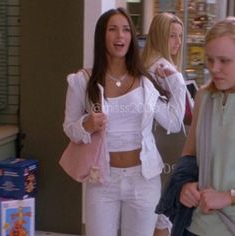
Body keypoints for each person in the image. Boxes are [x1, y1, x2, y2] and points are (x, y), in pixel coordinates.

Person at [62, 8, 186, 236]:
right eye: (113, 29)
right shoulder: (83, 80)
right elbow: (70, 129)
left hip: (143, 179)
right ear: (102, 36)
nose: (121, 36)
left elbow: (173, 122)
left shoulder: (145, 80)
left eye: (126, 30)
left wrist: (176, 82)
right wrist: (87, 125)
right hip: (102, 181)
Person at [156, 16, 235, 236]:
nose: (214, 68)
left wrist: (229, 196)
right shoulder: (204, 97)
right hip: (196, 226)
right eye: (210, 60)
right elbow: (190, 154)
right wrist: (185, 186)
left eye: (224, 61)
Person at [141, 12, 188, 236]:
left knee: (158, 217)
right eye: (172, 36)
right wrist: (178, 83)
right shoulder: (161, 69)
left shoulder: (146, 64)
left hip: (151, 152)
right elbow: (175, 121)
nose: (178, 42)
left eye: (180, 36)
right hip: (158, 154)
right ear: (160, 36)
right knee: (162, 218)